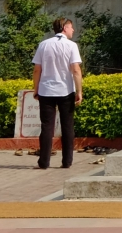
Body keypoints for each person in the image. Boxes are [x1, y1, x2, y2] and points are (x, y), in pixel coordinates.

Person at [31, 17, 83, 169]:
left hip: (46, 90)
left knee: (47, 127)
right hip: (66, 91)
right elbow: (76, 69)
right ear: (65, 28)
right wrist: (79, 90)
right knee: (67, 127)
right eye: (71, 27)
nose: (73, 30)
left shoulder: (43, 45)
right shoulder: (71, 46)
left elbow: (37, 70)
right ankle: (67, 161)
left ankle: (44, 162)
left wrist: (36, 89)